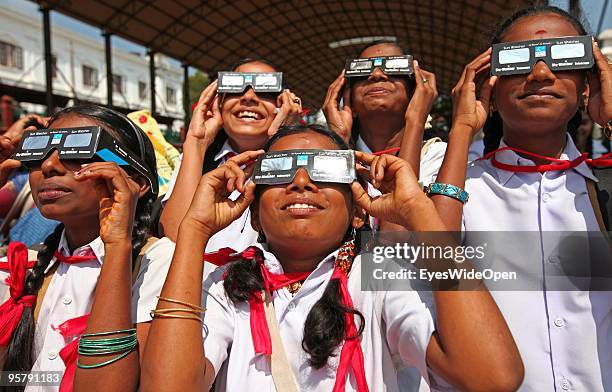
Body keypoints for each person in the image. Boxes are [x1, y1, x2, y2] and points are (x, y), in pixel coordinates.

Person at [141, 124, 523, 391]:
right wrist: (193, 231)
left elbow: (493, 377)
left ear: (358, 212)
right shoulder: (222, 285)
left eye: (325, 170)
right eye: (279, 171)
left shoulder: (380, 279)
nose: (302, 181)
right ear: (254, 213)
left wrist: (419, 212)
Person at [431, 5, 612, 390]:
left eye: (564, 57)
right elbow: (429, 264)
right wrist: (462, 129)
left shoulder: (603, 188)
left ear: (586, 86)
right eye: (517, 61)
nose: (541, 74)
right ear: (489, 90)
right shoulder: (460, 190)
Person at [0, 105, 171, 391]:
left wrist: (117, 245)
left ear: (137, 182)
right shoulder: (24, 264)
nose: (49, 166)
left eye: (78, 149)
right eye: (39, 151)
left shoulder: (162, 263)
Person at [159, 58, 303, 248]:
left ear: (283, 104)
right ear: (219, 102)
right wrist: (196, 142)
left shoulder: (301, 160)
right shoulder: (198, 159)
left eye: (266, 88)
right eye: (236, 87)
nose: (249, 97)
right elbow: (172, 241)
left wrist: (283, 141)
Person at [323, 40, 445, 188]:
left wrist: (416, 120)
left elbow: (406, 204)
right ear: (349, 100)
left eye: (393, 67)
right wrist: (339, 139)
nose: (376, 74)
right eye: (363, 69)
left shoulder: (441, 157)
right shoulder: (324, 159)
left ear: (414, 94)